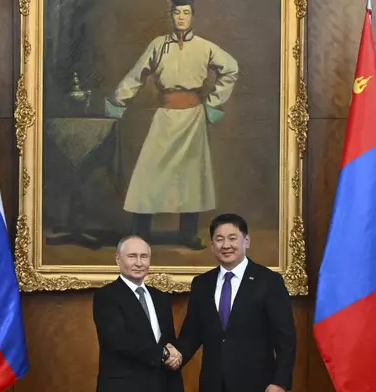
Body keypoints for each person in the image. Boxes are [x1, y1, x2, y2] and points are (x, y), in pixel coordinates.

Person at [106, 0, 239, 250]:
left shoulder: (205, 47)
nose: (181, 17)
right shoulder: (158, 45)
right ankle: (140, 233)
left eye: (186, 12)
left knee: (190, 176)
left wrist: (213, 102)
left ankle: (187, 234)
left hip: (193, 118)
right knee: (149, 172)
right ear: (171, 16)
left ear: (192, 17)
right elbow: (138, 74)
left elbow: (230, 69)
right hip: (165, 116)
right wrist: (119, 100)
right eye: (176, 12)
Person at [173, 213, 296, 392]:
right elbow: (191, 334)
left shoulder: (269, 281)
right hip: (212, 384)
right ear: (213, 245)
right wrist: (173, 357)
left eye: (232, 238)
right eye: (219, 239)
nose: (226, 245)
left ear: (246, 241)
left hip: (257, 384)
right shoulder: (202, 283)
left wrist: (280, 382)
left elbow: (285, 339)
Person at [92, 235, 184, 392]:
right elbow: (118, 341)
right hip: (124, 386)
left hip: (162, 384)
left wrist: (175, 356)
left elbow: (168, 341)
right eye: (132, 256)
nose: (139, 263)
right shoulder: (106, 296)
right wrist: (164, 353)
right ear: (118, 259)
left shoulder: (160, 297)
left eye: (144, 256)